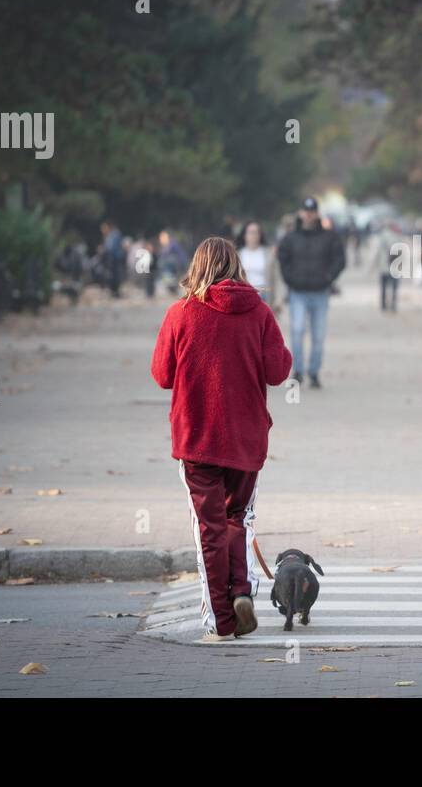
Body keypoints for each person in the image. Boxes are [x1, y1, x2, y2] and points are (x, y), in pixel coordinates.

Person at [150, 237, 292, 641]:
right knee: (237, 520)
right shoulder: (259, 313)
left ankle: (222, 621)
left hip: (197, 439)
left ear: (197, 269)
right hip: (245, 440)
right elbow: (278, 372)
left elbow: (162, 375)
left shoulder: (179, 314)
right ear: (237, 268)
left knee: (208, 528)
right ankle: (241, 591)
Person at [276, 197, 345, 388]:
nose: (308, 214)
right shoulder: (290, 238)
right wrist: (289, 278)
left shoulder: (329, 237)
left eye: (312, 211)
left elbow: (340, 259)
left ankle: (314, 371)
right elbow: (283, 259)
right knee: (297, 331)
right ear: (300, 213)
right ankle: (298, 369)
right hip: (298, 291)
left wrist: (329, 277)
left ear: (317, 213)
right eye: (306, 211)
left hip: (320, 291)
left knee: (318, 334)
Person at [236, 221, 280, 309]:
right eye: (251, 232)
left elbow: (277, 277)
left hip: (264, 296)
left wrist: (278, 300)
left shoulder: (269, 254)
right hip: (244, 296)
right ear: (244, 235)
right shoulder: (237, 255)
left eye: (256, 232)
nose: (253, 235)